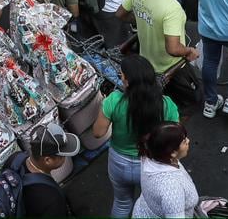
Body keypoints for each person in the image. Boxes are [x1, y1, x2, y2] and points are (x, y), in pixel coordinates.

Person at [92, 54, 180, 218]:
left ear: (126, 80)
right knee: (150, 206)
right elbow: (175, 138)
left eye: (121, 74)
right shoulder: (166, 104)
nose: (120, 77)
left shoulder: (114, 101)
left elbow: (97, 133)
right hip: (152, 165)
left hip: (119, 162)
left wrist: (104, 109)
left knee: (121, 203)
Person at [117, 0, 198, 87]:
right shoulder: (173, 8)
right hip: (168, 70)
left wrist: (143, 19)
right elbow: (173, 48)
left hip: (145, 63)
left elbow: (120, 14)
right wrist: (189, 51)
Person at [132, 121, 198, 219]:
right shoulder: (171, 188)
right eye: (184, 141)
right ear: (172, 153)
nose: (188, 141)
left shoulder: (150, 154)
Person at [14, 122, 78, 218]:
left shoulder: (15, 158)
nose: (65, 157)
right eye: (62, 155)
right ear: (47, 160)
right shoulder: (52, 199)